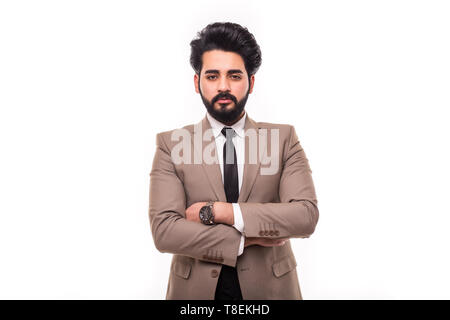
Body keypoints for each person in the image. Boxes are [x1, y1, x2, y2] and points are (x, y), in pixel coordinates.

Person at [148, 22, 319, 300]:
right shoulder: (171, 144)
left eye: (235, 76)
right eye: (213, 76)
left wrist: (220, 212)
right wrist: (246, 238)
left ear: (251, 82)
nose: (224, 86)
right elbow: (165, 231)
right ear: (197, 82)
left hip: (271, 291)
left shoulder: (283, 139)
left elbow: (305, 216)